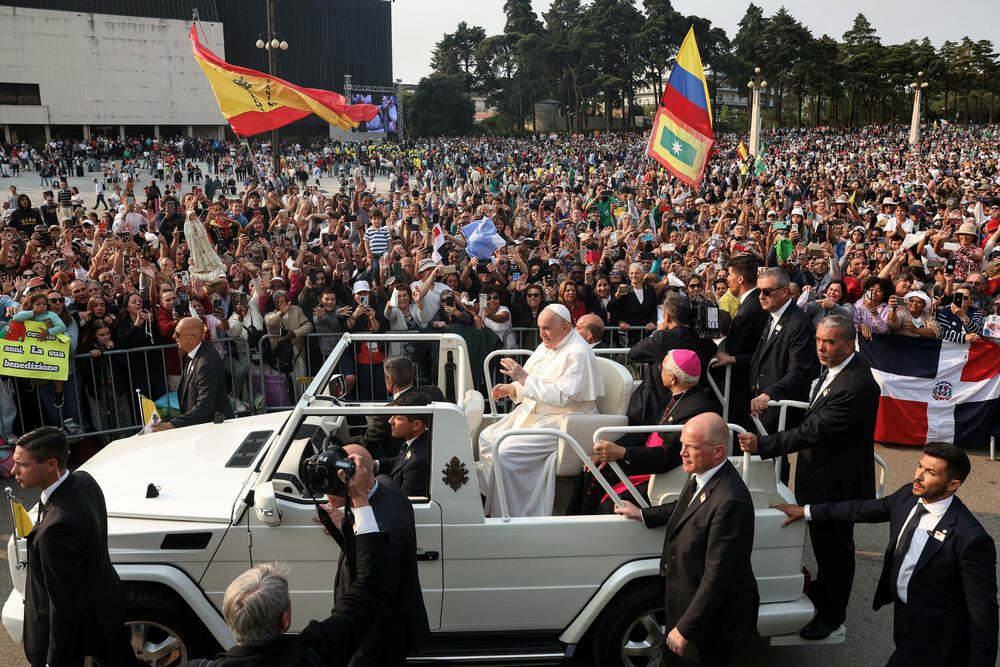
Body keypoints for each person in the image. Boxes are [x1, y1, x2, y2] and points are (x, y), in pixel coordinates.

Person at [773, 443, 998, 666]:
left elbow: (983, 615)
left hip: (936, 637)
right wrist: (806, 511)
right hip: (904, 618)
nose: (918, 476)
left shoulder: (971, 538)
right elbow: (860, 509)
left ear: (953, 484)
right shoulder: (907, 497)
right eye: (920, 466)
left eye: (930, 472)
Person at [738, 314, 879, 640]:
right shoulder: (835, 371)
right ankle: (824, 592)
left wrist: (764, 444)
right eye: (818, 340)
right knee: (825, 547)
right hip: (823, 476)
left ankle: (831, 615)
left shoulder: (856, 384)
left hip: (837, 484)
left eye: (829, 342)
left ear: (848, 344)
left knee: (835, 551)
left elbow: (815, 430)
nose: (821, 348)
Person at [185, 450, 389, 666]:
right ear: (285, 620)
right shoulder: (316, 651)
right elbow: (369, 585)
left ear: (231, 623)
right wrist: (360, 499)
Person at [615, 413, 758, 666]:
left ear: (718, 451)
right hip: (684, 602)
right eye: (682, 444)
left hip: (708, 622)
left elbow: (718, 577)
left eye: (691, 447)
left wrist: (686, 629)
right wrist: (642, 514)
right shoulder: (703, 473)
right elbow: (683, 507)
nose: (682, 452)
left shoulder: (730, 501)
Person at [13, 426, 140, 666]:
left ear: (51, 464)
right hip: (105, 607)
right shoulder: (84, 481)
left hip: (82, 629)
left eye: (23, 465)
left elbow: (63, 605)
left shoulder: (56, 529)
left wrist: (54, 660)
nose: (13, 470)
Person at [479, 304, 604, 517]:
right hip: (539, 412)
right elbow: (534, 378)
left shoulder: (578, 352)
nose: (541, 333)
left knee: (505, 451)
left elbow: (563, 397)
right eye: (539, 328)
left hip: (566, 420)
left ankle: (516, 513)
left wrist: (523, 379)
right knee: (487, 438)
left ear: (565, 328)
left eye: (546, 328)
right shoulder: (549, 344)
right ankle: (495, 503)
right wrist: (512, 388)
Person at [315, 445, 430, 666]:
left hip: (377, 642)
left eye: (332, 485)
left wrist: (356, 659)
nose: (327, 496)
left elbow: (376, 603)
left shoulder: (384, 529)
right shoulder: (386, 485)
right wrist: (349, 523)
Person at [580, 349, 719, 513]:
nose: (660, 372)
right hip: (645, 460)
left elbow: (669, 455)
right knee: (591, 470)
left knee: (608, 505)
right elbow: (645, 431)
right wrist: (609, 450)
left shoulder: (696, 410)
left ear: (672, 378)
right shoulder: (675, 395)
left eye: (662, 369)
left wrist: (623, 453)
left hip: (658, 474)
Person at [746, 267, 819, 451]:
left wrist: (770, 394)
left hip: (778, 406)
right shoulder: (772, 315)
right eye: (758, 291)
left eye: (766, 292)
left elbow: (799, 371)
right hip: (764, 403)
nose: (761, 296)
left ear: (784, 291)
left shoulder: (798, 324)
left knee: (776, 462)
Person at [626, 293, 718, 426]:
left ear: (666, 316)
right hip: (691, 406)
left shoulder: (662, 337)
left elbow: (634, 353)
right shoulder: (704, 341)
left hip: (654, 409)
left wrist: (656, 333)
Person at [711, 257, 768, 431]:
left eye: (730, 275)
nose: (727, 280)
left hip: (740, 389)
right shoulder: (754, 304)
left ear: (740, 279)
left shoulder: (748, 312)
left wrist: (729, 357)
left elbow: (734, 351)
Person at [152, 316, 233, 430]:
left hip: (212, 430)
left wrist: (173, 424)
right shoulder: (196, 353)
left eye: (178, 334)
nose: (174, 336)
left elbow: (205, 405)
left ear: (191, 339)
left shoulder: (206, 363)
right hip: (201, 426)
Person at [360, 356, 444, 459]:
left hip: (401, 465)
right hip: (440, 454)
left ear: (390, 381)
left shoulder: (386, 414)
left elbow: (366, 445)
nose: (392, 420)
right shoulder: (434, 392)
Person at [376, 391, 432, 497]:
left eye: (396, 417)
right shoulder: (419, 441)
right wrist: (374, 465)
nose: (390, 421)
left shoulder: (419, 462)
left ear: (416, 425)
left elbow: (404, 503)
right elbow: (401, 462)